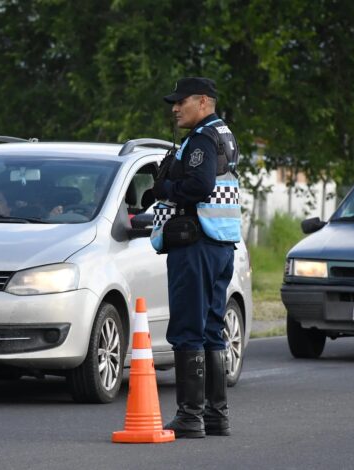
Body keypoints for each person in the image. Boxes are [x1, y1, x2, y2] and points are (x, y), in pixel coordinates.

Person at [152, 77, 241, 438]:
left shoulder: (202, 138)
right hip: (220, 245)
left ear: (203, 101)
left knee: (188, 329)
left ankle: (190, 416)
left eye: (180, 102)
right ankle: (215, 415)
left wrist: (165, 188)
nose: (174, 108)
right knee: (211, 330)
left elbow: (200, 186)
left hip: (196, 244)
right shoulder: (224, 133)